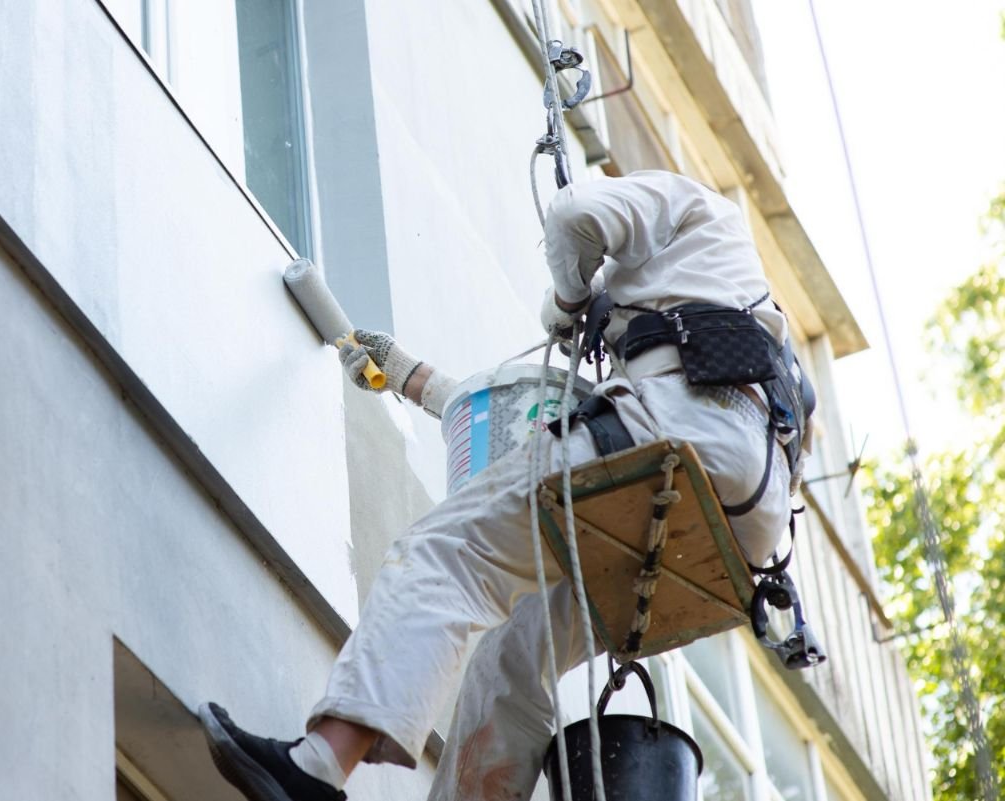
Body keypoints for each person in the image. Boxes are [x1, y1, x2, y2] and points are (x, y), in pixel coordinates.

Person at [200, 170, 809, 801]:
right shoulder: (729, 307)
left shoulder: (690, 207)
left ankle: (319, 765)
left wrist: (573, 299)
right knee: (511, 651)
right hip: (740, 527)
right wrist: (412, 378)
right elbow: (532, 425)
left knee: (447, 551)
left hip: (678, 439)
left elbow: (575, 213)